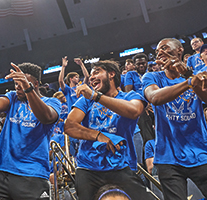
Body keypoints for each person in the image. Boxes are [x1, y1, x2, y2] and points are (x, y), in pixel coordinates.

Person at [0, 62, 61, 200]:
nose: (18, 87)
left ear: (35, 84)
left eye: (22, 83)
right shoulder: (13, 97)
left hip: (32, 174)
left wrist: (27, 88)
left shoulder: (52, 102)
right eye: (16, 83)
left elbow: (46, 117)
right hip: (0, 172)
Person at [142, 37, 207, 200]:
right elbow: (155, 97)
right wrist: (190, 82)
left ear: (179, 50)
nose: (160, 52)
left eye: (164, 47)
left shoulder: (195, 74)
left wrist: (187, 75)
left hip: (202, 152)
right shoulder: (152, 77)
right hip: (168, 157)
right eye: (157, 51)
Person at [64, 60, 154, 200]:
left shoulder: (130, 96)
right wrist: (99, 135)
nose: (92, 77)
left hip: (121, 165)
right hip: (88, 167)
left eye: (96, 72)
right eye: (91, 74)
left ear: (111, 74)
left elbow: (134, 111)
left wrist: (96, 96)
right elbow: (69, 126)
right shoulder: (86, 101)